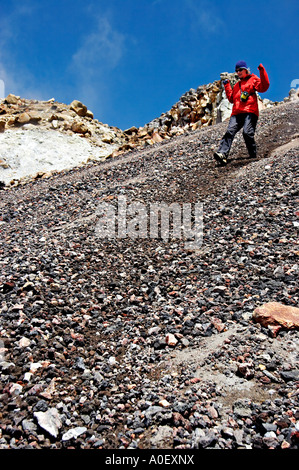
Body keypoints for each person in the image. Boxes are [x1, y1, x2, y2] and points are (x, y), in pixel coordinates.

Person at [214, 60, 270, 166]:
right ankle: (222, 154)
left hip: (250, 111)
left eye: (240, 70)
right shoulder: (236, 86)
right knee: (229, 132)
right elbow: (231, 99)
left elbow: (264, 87)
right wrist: (227, 86)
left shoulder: (253, 80)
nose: (238, 72)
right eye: (236, 71)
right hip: (236, 113)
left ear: (245, 70)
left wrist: (262, 71)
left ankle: (252, 155)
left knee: (247, 133)